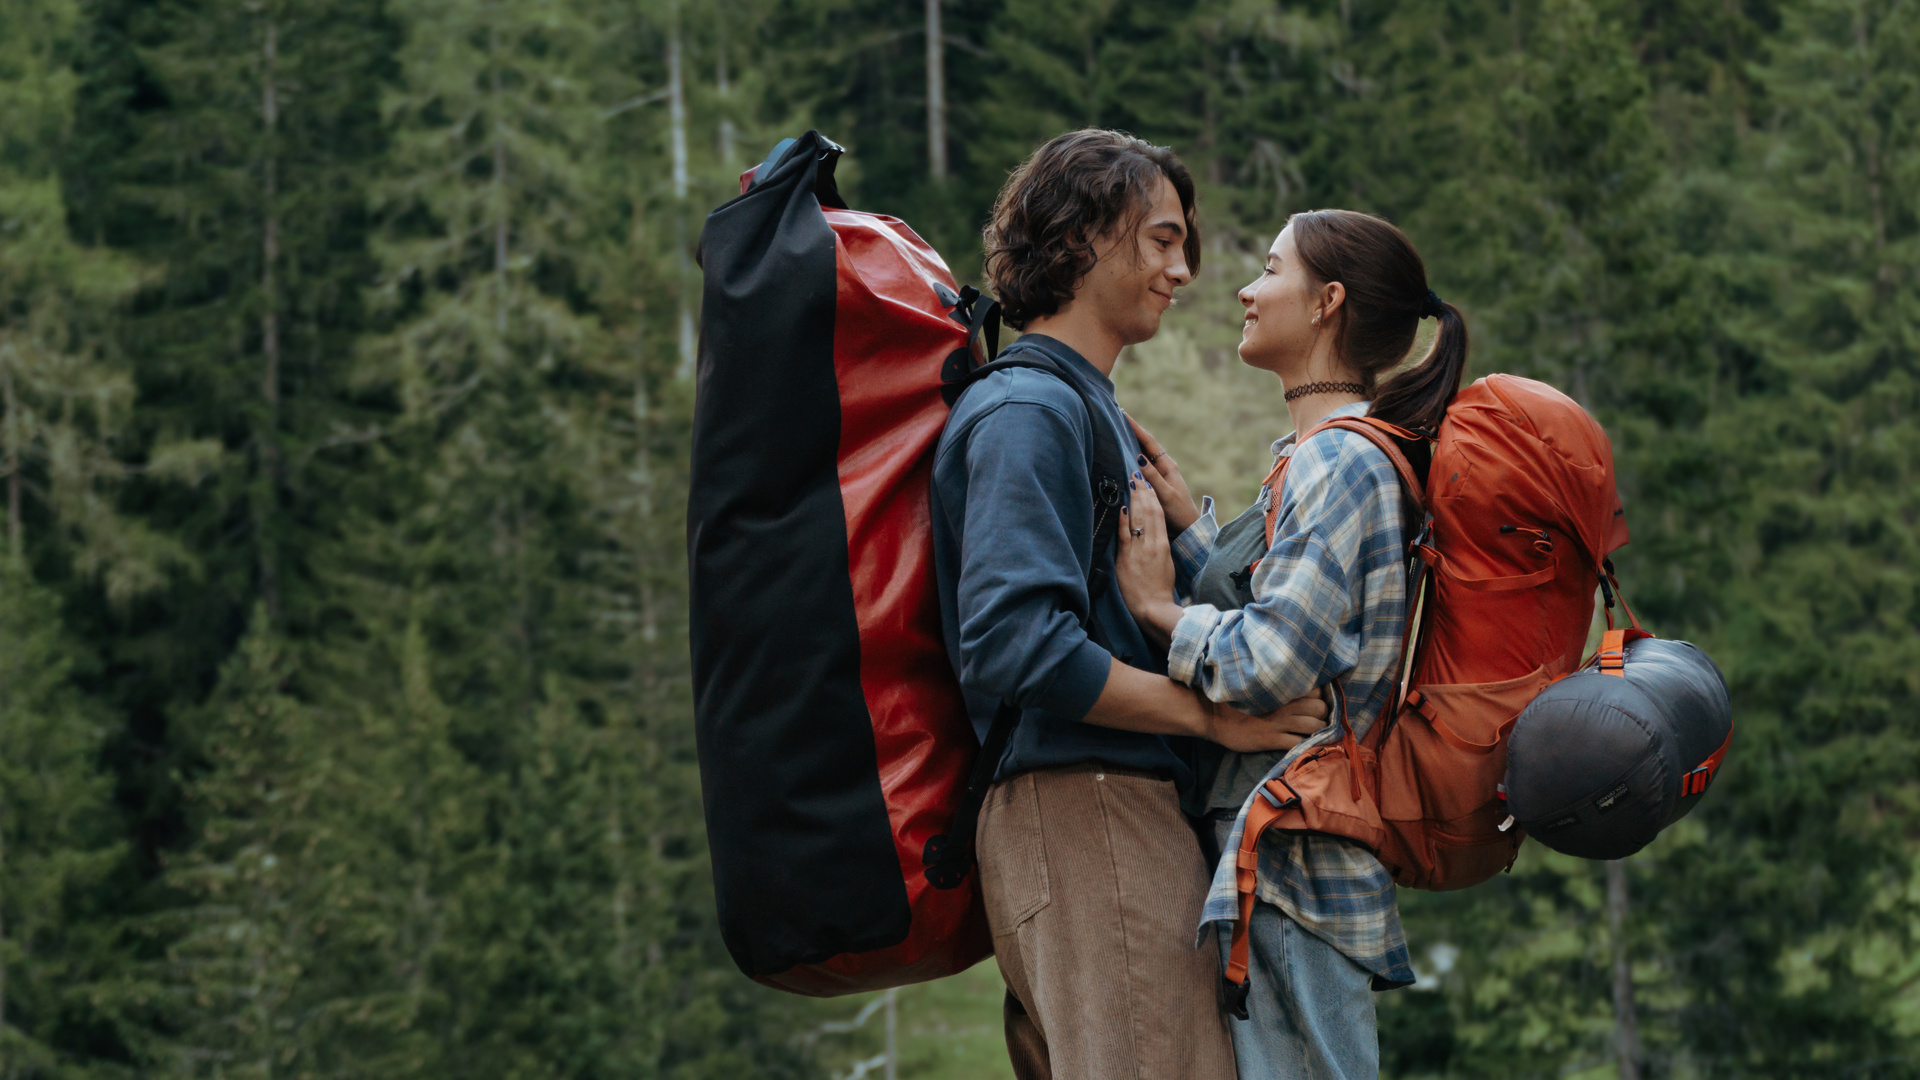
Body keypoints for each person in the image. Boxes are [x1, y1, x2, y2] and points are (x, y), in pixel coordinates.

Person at [929, 130, 1327, 1080]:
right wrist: (1211, 717)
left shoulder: (1077, 408)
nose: (1182, 269)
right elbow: (1016, 644)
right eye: (1158, 240)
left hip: (1097, 817)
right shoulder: (1030, 411)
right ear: (1079, 237)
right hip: (1089, 812)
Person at [1113, 208, 1471, 1080]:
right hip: (1286, 861)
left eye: (1270, 268)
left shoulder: (1337, 464)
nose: (1244, 286)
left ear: (1326, 303)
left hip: (1299, 864)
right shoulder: (1319, 457)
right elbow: (1302, 620)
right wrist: (1195, 533)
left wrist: (1162, 611)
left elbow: (1274, 661)